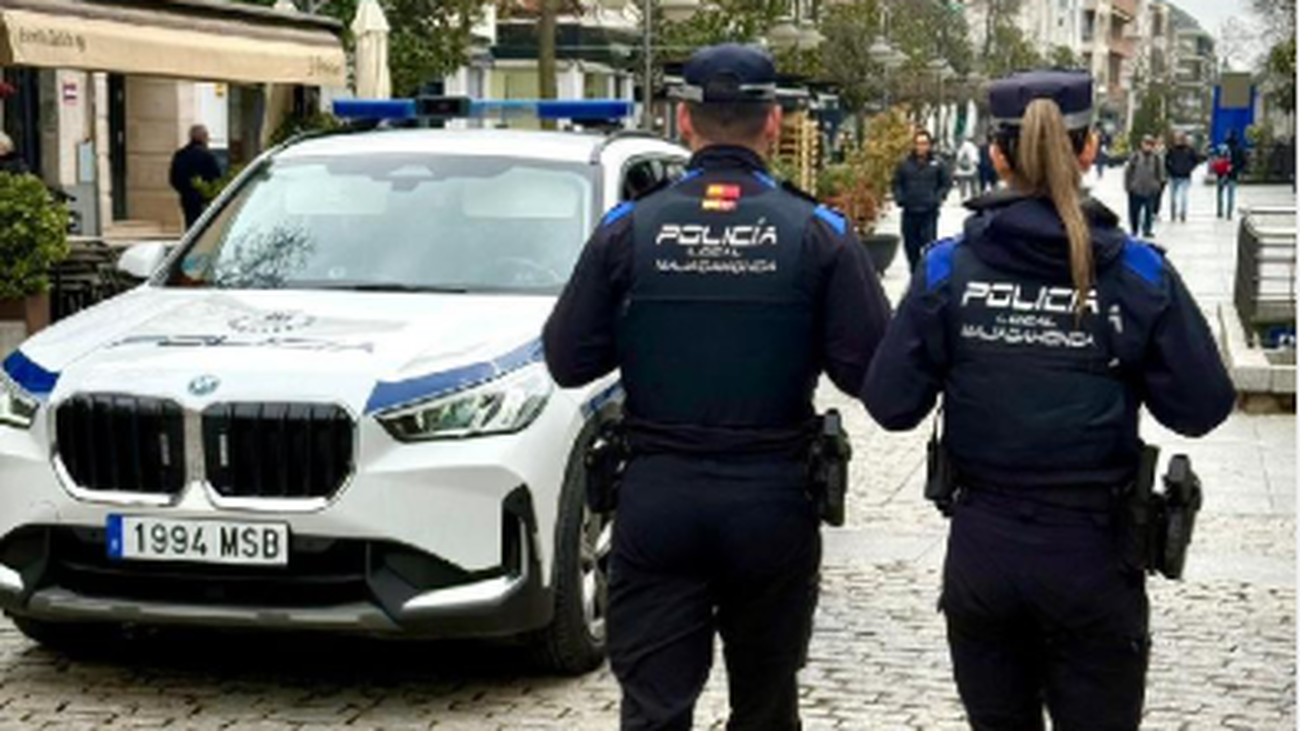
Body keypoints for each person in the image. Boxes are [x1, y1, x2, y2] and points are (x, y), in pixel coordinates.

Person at [862, 69, 1235, 731]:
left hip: (984, 551)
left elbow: (892, 403)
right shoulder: (1138, 269)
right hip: (1093, 553)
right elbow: (1201, 406)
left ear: (996, 153)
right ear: (1090, 149)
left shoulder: (949, 267)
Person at [543, 44, 891, 730]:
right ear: (773, 121)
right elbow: (874, 376)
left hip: (658, 496)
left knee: (654, 708)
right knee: (765, 706)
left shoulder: (628, 229)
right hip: (771, 501)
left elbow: (567, 359)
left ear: (683, 121)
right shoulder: (817, 233)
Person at [893, 128, 953, 270]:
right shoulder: (904, 164)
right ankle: (914, 274)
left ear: (929, 145)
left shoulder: (938, 163)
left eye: (924, 143)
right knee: (910, 247)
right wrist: (900, 198)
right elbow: (896, 183)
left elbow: (946, 183)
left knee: (929, 247)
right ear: (914, 145)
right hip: (909, 211)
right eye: (919, 143)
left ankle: (926, 276)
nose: (921, 147)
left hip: (929, 212)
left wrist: (938, 198)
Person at [169, 124, 222, 229]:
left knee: (190, 225)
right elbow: (216, 178)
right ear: (203, 137)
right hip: (204, 199)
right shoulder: (207, 156)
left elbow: (173, 179)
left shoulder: (180, 154)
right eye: (206, 136)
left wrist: (184, 190)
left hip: (187, 198)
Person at [1124, 135, 1165, 237]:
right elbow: (1128, 172)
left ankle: (1147, 230)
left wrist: (1158, 186)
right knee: (1134, 212)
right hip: (1135, 189)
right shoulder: (1135, 156)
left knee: (1148, 212)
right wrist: (1128, 186)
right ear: (1142, 144)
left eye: (1150, 144)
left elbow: (1160, 174)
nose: (1148, 146)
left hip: (1150, 190)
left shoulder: (1156, 158)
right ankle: (1134, 229)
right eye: (1146, 143)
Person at [1164, 132, 1201, 223]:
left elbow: (1196, 160)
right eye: (1176, 139)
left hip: (1185, 177)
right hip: (1173, 177)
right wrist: (1170, 169)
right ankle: (1173, 213)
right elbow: (1166, 161)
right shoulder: (1171, 150)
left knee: (1183, 197)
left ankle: (1183, 213)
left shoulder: (1189, 150)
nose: (1178, 141)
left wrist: (1189, 168)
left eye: (1180, 139)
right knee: (1173, 197)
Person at [1215, 131, 1248, 220]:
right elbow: (1244, 162)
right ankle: (1229, 213)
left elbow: (1216, 160)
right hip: (1233, 175)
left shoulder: (1222, 147)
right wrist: (1236, 168)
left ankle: (1219, 211)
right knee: (1231, 194)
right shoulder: (1239, 148)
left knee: (1220, 193)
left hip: (1221, 174)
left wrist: (1217, 170)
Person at [955, 136, 981, 200]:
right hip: (969, 168)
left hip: (964, 169)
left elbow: (958, 158)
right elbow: (975, 157)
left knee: (964, 185)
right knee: (972, 184)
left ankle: (964, 197)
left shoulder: (964, 146)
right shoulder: (970, 146)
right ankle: (974, 197)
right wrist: (976, 163)